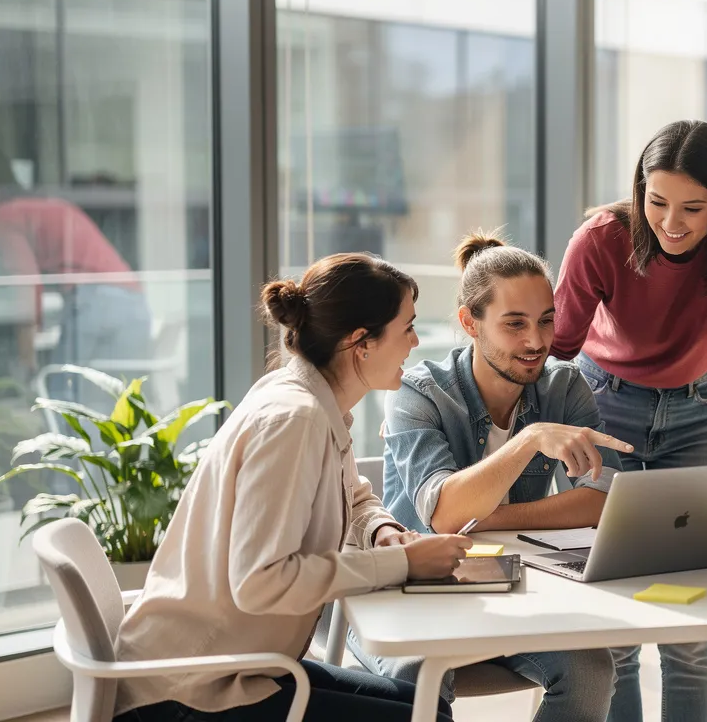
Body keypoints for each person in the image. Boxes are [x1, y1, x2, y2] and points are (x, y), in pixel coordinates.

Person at [113, 253, 472, 722]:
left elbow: (353, 494)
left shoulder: (310, 400)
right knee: (429, 717)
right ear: (361, 342)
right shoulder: (295, 420)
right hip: (187, 690)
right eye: (407, 328)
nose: (415, 342)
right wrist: (401, 564)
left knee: (428, 704)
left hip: (234, 666)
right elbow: (260, 582)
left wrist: (383, 532)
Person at [552, 119, 707, 722]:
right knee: (617, 626)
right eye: (656, 202)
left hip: (699, 408)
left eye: (692, 208)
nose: (671, 223)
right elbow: (556, 349)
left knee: (691, 627)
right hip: (604, 407)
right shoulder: (600, 239)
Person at [352, 232, 630, 721]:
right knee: (416, 674)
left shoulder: (564, 386)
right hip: (405, 594)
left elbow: (604, 498)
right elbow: (443, 513)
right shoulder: (419, 393)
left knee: (591, 668)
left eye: (546, 320)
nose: (536, 341)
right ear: (470, 323)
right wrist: (530, 439)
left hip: (510, 589)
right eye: (515, 324)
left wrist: (488, 517)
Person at [0, 145, 151, 382]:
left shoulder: (0, 216)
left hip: (93, 301)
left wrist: (26, 358)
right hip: (133, 301)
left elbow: (25, 282)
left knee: (61, 390)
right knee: (111, 396)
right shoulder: (47, 204)